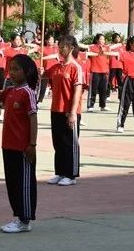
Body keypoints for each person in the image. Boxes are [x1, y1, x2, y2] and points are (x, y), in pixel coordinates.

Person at [0, 54, 38, 233]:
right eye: (11, 69)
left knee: (23, 182)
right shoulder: (10, 91)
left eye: (16, 69)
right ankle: (17, 215)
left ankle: (24, 219)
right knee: (12, 182)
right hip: (8, 144)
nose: (12, 73)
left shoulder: (27, 93)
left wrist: (32, 144)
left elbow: (33, 118)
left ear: (27, 72)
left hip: (22, 146)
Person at [48, 35, 83, 186]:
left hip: (69, 110)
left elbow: (77, 91)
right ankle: (60, 172)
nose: (60, 49)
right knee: (58, 143)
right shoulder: (56, 67)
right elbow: (42, 76)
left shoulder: (76, 67)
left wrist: (73, 112)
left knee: (70, 143)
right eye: (59, 46)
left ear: (71, 48)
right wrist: (41, 70)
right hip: (56, 109)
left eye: (63, 46)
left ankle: (71, 174)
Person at [87, 34, 113, 111]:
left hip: (104, 71)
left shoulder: (107, 48)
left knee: (103, 90)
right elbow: (84, 47)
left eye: (103, 39)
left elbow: (110, 54)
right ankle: (90, 106)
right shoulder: (92, 47)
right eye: (101, 39)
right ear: (97, 40)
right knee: (93, 90)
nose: (102, 41)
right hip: (95, 71)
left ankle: (103, 106)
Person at [37, 34, 60, 103]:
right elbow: (36, 49)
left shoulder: (57, 49)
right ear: (46, 41)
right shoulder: (42, 48)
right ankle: (40, 100)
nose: (51, 41)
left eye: (52, 40)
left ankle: (57, 99)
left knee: (55, 86)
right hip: (46, 69)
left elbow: (57, 56)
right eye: (49, 40)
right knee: (43, 86)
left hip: (55, 69)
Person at [108, 33, 125, 99]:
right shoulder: (111, 46)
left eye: (118, 37)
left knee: (120, 81)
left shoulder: (122, 47)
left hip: (120, 66)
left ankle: (120, 96)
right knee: (110, 80)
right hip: (112, 65)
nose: (117, 39)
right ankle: (107, 95)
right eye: (116, 38)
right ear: (113, 39)